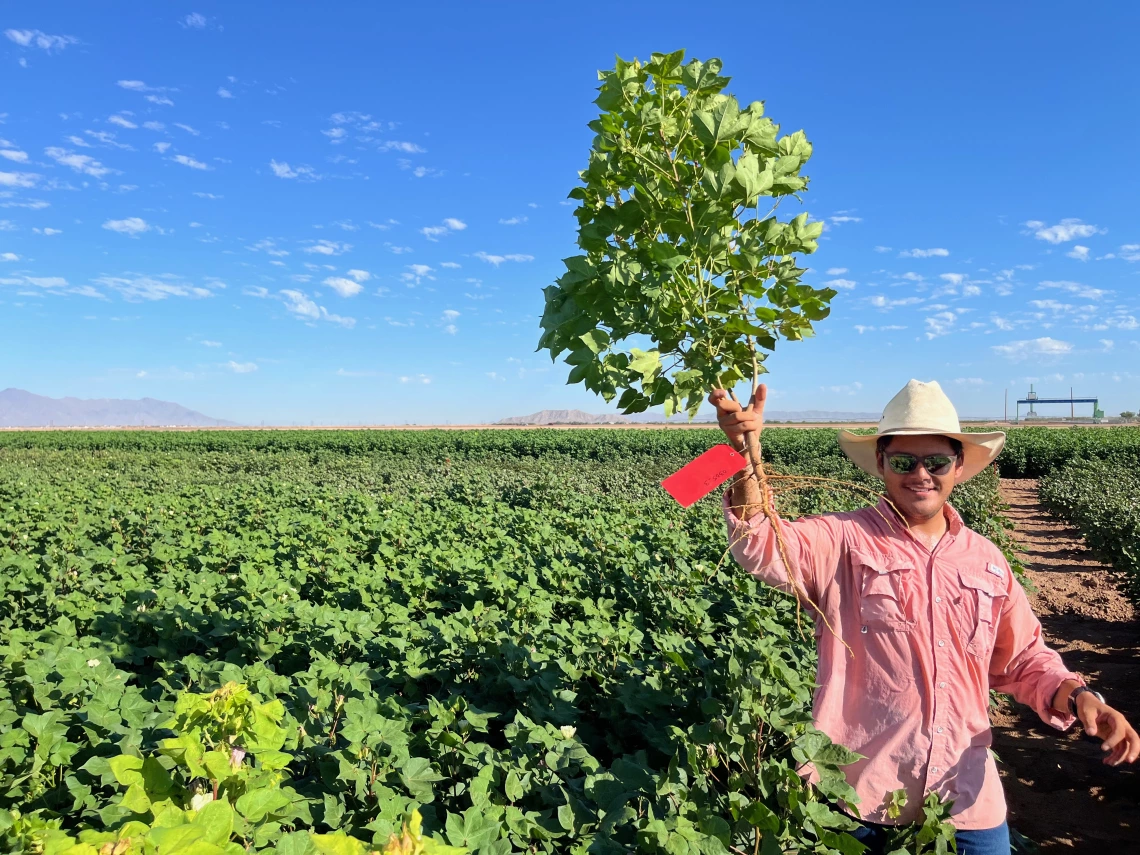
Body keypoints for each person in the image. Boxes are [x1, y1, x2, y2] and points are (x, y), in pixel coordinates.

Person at [709, 379, 1139, 855]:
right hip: (856, 800)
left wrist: (1080, 695)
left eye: (935, 462)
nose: (920, 474)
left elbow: (1022, 659)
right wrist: (745, 455)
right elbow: (760, 546)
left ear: (957, 466)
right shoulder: (841, 540)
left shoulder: (987, 560)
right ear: (880, 464)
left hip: (966, 798)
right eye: (903, 461)